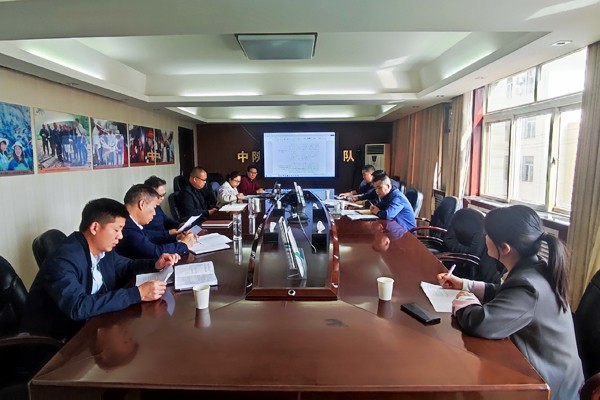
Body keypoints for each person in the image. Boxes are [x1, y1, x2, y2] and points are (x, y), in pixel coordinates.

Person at [437, 205, 583, 400]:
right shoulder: (534, 268)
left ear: (504, 248)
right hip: (547, 372)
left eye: (487, 235)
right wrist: (465, 284)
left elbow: (482, 324)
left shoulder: (527, 286)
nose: (484, 238)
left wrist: (465, 299)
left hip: (548, 387)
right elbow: (505, 294)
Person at [20, 198, 179, 341]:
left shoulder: (103, 250)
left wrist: (155, 264)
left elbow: (126, 266)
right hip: (59, 341)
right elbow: (78, 307)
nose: (120, 236)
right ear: (95, 227)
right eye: (116, 230)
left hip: (94, 324)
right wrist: (137, 293)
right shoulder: (63, 259)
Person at [116, 184, 195, 259]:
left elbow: (148, 236)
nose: (154, 213)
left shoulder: (129, 221)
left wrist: (176, 237)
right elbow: (155, 253)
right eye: (154, 207)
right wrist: (183, 244)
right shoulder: (126, 227)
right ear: (142, 204)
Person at [143, 175, 183, 242]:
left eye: (163, 195)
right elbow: (146, 235)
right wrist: (169, 234)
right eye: (159, 196)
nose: (162, 198)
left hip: (167, 238)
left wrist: (179, 225)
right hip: (156, 242)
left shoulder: (157, 206)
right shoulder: (141, 212)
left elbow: (166, 221)